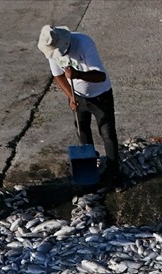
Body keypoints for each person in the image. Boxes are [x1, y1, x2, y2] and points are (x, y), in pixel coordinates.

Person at [38, 25, 122, 188]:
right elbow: (58, 76)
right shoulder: (52, 49)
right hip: (78, 97)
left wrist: (78, 74)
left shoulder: (84, 43)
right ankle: (89, 166)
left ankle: (114, 173)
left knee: (107, 134)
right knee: (82, 130)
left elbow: (100, 76)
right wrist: (70, 96)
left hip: (101, 95)